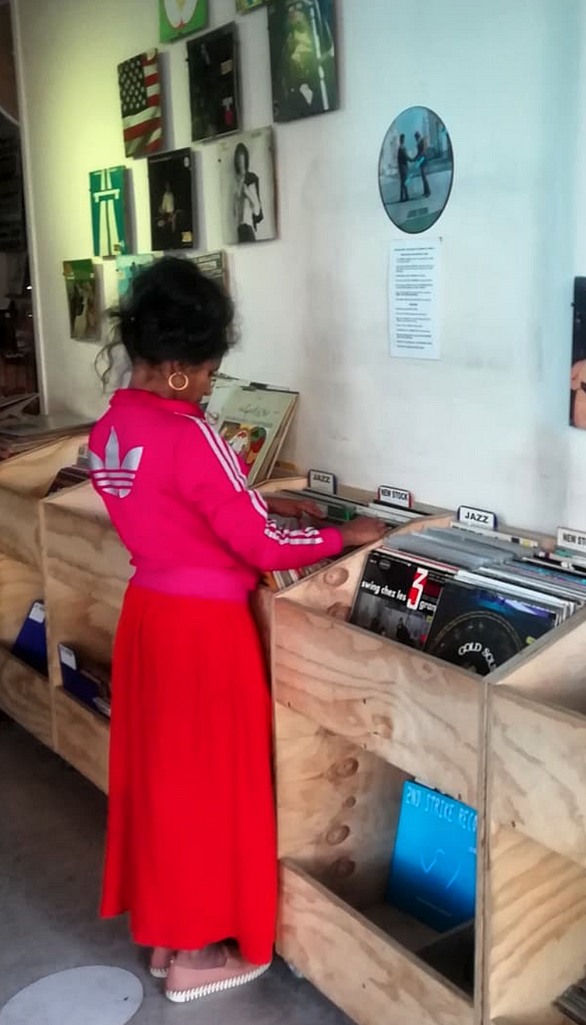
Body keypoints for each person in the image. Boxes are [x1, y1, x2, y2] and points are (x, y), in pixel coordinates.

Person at [89, 258, 386, 1004]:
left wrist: (260, 510)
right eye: (214, 372)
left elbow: (182, 512)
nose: (214, 384)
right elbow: (258, 545)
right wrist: (344, 538)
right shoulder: (190, 432)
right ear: (186, 368)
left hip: (150, 617)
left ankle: (167, 934)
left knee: (164, 780)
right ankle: (197, 952)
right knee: (211, 786)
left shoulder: (112, 427)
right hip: (205, 632)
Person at [232, 142, 264, 244]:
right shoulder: (234, 182)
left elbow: (257, 210)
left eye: (242, 158)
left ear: (246, 159)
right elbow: (233, 211)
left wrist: (247, 192)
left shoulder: (251, 179)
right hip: (238, 230)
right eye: (238, 158)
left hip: (248, 227)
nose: (241, 161)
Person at [415, 131, 431, 197]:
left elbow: (423, 151)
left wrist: (418, 157)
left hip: (423, 159)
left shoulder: (422, 141)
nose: (415, 139)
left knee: (424, 176)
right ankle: (425, 192)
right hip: (421, 160)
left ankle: (428, 192)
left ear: (418, 136)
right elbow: (418, 152)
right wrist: (414, 158)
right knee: (423, 176)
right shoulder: (418, 142)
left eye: (416, 137)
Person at [397, 133, 410, 202]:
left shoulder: (400, 148)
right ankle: (406, 196)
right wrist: (412, 159)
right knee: (404, 182)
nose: (404, 140)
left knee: (402, 183)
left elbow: (399, 159)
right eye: (403, 139)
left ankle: (402, 197)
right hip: (403, 167)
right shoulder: (402, 148)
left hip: (401, 167)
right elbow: (406, 157)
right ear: (402, 140)